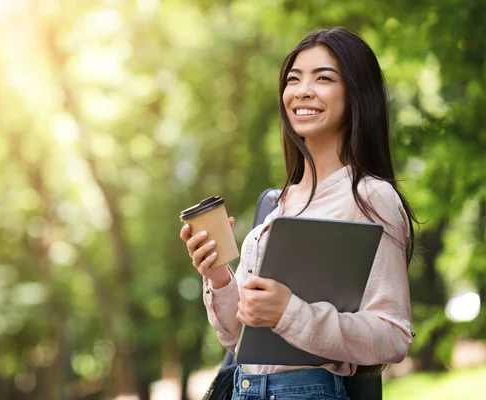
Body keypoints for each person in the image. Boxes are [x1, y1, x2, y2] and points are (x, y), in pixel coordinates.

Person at [179, 27, 417, 400]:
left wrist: (290, 312)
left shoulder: (371, 197)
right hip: (246, 389)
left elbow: (393, 335)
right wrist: (219, 278)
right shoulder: (278, 203)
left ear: (356, 93)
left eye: (323, 78)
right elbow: (239, 339)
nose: (302, 90)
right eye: (294, 79)